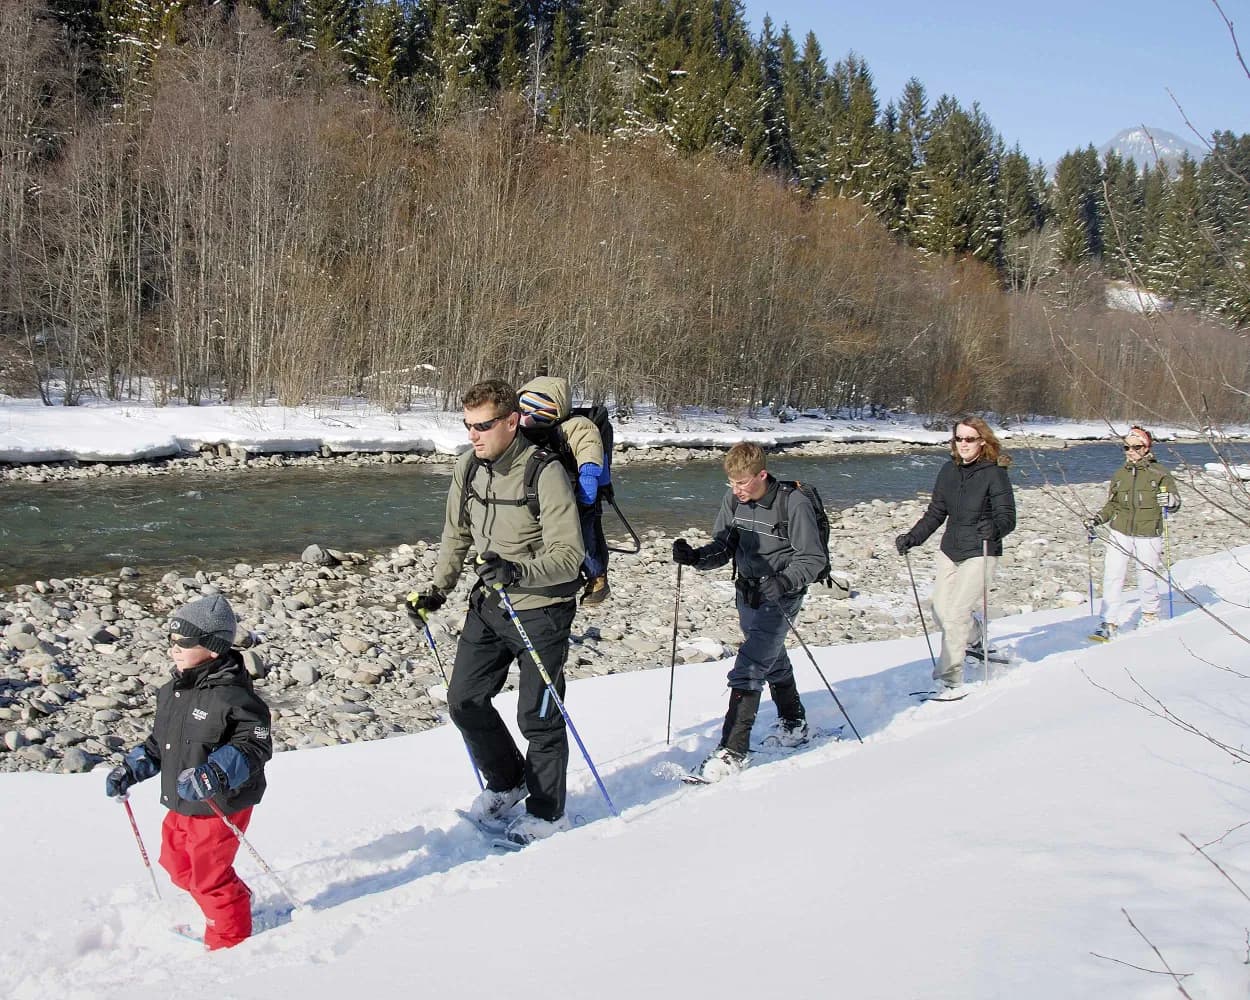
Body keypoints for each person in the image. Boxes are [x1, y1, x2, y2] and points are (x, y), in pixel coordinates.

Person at [407, 379, 585, 845]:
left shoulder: (544, 473)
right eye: (467, 426)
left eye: (482, 426)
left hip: (542, 610)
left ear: (511, 422)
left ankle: (549, 815)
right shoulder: (469, 468)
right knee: (463, 701)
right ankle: (510, 781)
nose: (473, 436)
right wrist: (436, 591)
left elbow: (570, 556)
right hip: (489, 606)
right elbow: (455, 535)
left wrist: (516, 570)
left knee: (538, 717)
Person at [104, 594, 272, 950]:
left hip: (220, 802)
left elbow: (255, 745)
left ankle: (230, 943)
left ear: (211, 647)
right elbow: (159, 744)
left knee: (207, 879)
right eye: (171, 640)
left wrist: (215, 773)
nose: (172, 649)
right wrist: (130, 769)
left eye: (183, 642)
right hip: (181, 799)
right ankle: (236, 902)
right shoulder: (174, 691)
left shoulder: (234, 698)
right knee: (177, 864)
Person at [671, 442, 828, 781]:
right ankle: (793, 721)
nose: (736, 489)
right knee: (771, 657)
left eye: (743, 482)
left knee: (750, 665)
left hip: (782, 593)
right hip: (748, 591)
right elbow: (724, 546)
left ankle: (732, 751)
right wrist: (696, 557)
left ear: (762, 474)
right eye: (731, 482)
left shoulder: (793, 503)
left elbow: (814, 559)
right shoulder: (734, 501)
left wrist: (785, 581)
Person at [895, 416, 1016, 695]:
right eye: (958, 438)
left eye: (969, 439)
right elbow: (937, 512)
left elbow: (1008, 517)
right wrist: (913, 537)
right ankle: (974, 638)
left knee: (956, 615)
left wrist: (995, 527)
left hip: (981, 551)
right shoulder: (948, 470)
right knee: (940, 611)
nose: (963, 444)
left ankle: (949, 679)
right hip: (950, 549)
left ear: (982, 441)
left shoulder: (994, 473)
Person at [517, 374, 612, 606]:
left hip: (578, 492)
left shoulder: (576, 425)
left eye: (537, 409)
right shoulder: (525, 432)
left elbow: (589, 447)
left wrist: (589, 475)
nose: (527, 417)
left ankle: (596, 577)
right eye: (524, 409)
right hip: (543, 493)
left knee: (585, 535)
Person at [1083, 425, 1180, 641]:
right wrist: (1097, 519)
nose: (1130, 451)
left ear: (1146, 448)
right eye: (1126, 447)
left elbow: (1174, 502)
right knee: (1113, 575)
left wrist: (1170, 501)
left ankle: (1149, 615)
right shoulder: (1120, 475)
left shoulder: (1160, 473)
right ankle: (1108, 622)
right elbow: (1113, 504)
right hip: (1120, 532)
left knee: (1146, 577)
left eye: (1136, 447)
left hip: (1148, 532)